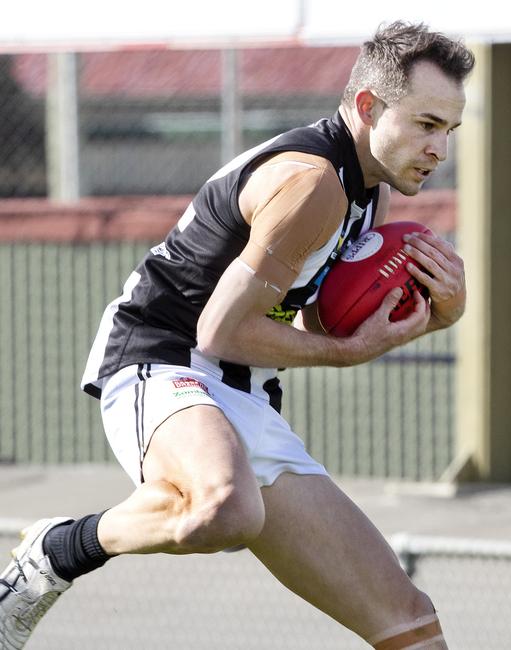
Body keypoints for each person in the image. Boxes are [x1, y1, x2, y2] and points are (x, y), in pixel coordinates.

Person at [0, 20, 474, 649]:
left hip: (244, 388)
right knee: (225, 509)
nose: (441, 148)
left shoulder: (369, 194)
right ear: (367, 106)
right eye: (425, 124)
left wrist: (427, 316)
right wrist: (353, 351)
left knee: (411, 626)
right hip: (162, 362)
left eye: (450, 129)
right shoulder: (311, 182)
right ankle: (58, 550)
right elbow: (219, 330)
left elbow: (303, 318)